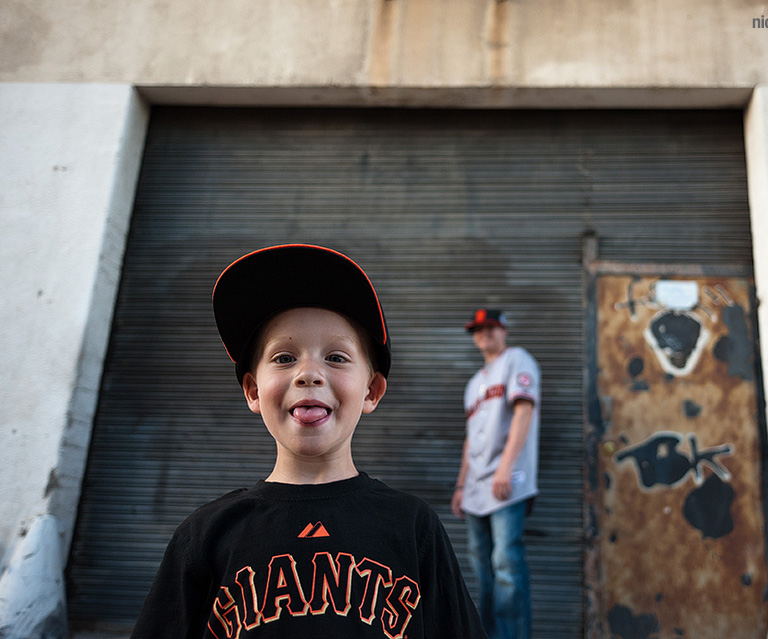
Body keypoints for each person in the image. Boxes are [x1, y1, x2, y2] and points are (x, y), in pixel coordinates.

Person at [131, 244, 487, 639]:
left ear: (371, 391)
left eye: (336, 357)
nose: (309, 374)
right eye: (284, 358)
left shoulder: (411, 527)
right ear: (253, 391)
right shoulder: (205, 536)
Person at [451, 309, 541, 639]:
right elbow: (471, 438)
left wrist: (506, 467)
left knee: (506, 566)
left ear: (503, 330)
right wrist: (461, 485)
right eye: (478, 330)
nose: (484, 334)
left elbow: (524, 412)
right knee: (483, 572)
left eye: (490, 327)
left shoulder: (517, 360)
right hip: (475, 489)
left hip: (506, 484)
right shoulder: (475, 383)